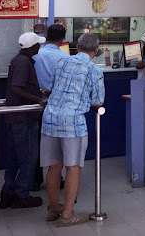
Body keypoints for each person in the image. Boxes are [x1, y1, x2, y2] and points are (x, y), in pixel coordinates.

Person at [41, 33, 105, 227]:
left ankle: (54, 208)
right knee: (73, 167)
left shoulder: (61, 62)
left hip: (50, 118)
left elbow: (51, 88)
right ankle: (68, 214)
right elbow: (98, 102)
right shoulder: (94, 70)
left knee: (53, 166)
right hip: (73, 123)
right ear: (96, 50)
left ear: (77, 47)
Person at [0, 32, 47, 210]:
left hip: (15, 116)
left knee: (13, 157)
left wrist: (38, 93)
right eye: (37, 45)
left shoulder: (19, 60)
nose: (39, 47)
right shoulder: (24, 63)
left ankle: (8, 192)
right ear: (32, 47)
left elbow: (21, 86)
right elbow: (17, 88)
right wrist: (38, 100)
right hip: (24, 117)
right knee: (28, 157)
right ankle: (22, 194)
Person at [32, 24, 70, 189]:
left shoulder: (35, 55)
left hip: (36, 103)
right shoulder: (65, 58)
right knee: (56, 144)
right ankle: (56, 178)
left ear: (46, 36)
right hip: (57, 106)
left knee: (35, 142)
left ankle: (35, 179)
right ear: (63, 39)